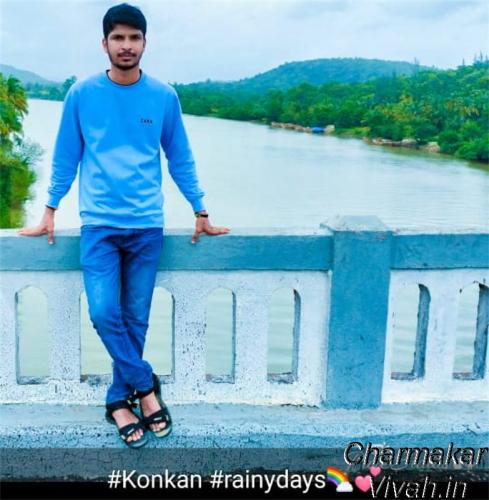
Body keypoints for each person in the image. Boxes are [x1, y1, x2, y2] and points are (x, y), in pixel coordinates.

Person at [18, 3, 230, 448]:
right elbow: (66, 157)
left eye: (134, 38)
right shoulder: (81, 94)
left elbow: (180, 158)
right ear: (105, 44)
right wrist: (50, 209)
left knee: (135, 320)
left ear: (145, 43)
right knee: (102, 312)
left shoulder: (164, 97)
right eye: (119, 37)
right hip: (98, 225)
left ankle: (118, 400)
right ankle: (147, 388)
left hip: (147, 226)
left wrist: (200, 210)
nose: (127, 45)